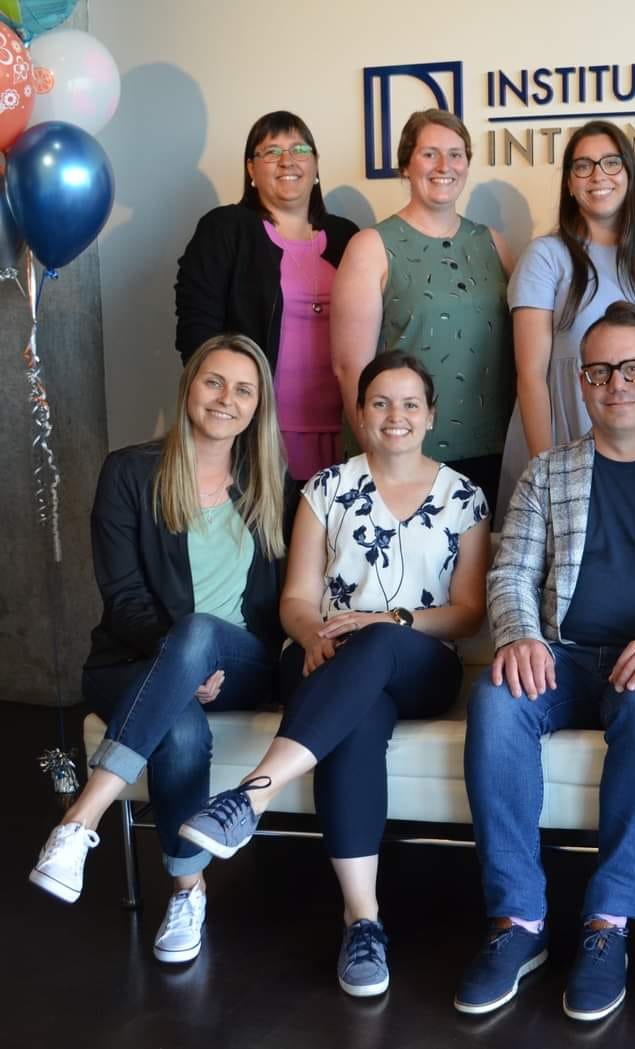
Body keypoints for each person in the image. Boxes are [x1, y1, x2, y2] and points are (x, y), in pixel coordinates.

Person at [455, 301, 635, 1022]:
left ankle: (607, 924)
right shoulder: (547, 473)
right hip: (564, 654)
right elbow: (510, 572)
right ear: (581, 383)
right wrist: (519, 637)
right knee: (495, 697)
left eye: (634, 368)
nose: (618, 383)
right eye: (601, 371)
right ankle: (518, 921)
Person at [177, 351, 490, 996]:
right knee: (359, 718)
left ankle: (251, 796)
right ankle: (362, 921)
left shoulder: (464, 496)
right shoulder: (325, 488)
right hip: (322, 657)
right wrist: (312, 634)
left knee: (378, 643)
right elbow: (296, 598)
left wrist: (389, 620)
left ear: (431, 415)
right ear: (360, 413)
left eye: (410, 403)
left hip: (419, 662)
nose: (396, 415)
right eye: (380, 403)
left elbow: (468, 614)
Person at [30, 334, 291, 966]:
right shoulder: (130, 472)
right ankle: (187, 890)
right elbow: (123, 598)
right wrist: (181, 661)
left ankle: (79, 820)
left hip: (240, 664)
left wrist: (199, 655)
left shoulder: (273, 484)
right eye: (213, 382)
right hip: (133, 661)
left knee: (200, 633)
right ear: (188, 387)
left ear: (258, 406)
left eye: (244, 390)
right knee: (180, 725)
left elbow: (285, 604)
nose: (226, 399)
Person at [496, 120, 635, 524]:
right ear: (570, 183)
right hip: (560, 438)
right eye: (583, 166)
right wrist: (547, 474)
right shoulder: (545, 256)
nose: (598, 175)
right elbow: (531, 375)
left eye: (610, 162)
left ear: (628, 174)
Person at [331, 109, 513, 508]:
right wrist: (382, 461)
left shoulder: (494, 244)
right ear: (405, 165)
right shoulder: (371, 246)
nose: (444, 166)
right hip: (401, 453)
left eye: (456, 154)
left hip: (489, 450)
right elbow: (349, 368)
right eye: (430, 154)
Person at [175, 110, 359, 481]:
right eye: (271, 152)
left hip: (345, 434)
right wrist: (225, 415)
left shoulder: (348, 237)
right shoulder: (227, 229)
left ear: (316, 166)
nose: (287, 160)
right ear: (251, 169)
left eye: (299, 149)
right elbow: (197, 333)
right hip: (254, 434)